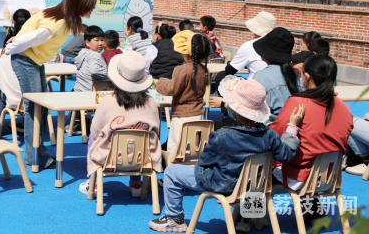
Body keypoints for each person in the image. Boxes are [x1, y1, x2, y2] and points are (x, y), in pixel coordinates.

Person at [148, 76, 304, 233]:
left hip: (225, 185)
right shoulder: (269, 135)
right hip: (254, 187)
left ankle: (174, 219)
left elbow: (203, 163)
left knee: (172, 172)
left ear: (234, 109)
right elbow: (285, 155)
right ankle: (247, 217)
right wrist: (292, 127)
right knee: (252, 174)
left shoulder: (221, 136)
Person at [2, 0, 98, 170]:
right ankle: (33, 158)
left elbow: (31, 31)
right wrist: (12, 45)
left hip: (33, 60)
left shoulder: (60, 15)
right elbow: (34, 37)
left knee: (40, 108)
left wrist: (17, 39)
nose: (93, 8)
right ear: (81, 3)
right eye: (91, 4)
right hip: (26, 60)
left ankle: (38, 153)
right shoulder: (57, 24)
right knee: (34, 109)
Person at [79, 51, 162, 198]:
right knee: (140, 140)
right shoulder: (151, 103)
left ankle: (94, 183)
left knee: (93, 139)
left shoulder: (107, 101)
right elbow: (157, 131)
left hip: (110, 157)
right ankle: (137, 183)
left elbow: (95, 132)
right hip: (144, 158)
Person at [271, 55, 353, 195]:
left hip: (297, 177)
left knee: (254, 162)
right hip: (329, 177)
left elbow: (274, 136)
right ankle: (312, 205)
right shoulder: (345, 108)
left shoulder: (298, 102)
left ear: (307, 77)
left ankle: (250, 209)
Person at [155, 31, 209, 156]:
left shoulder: (182, 69)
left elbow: (172, 89)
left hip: (181, 117)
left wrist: (159, 83)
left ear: (186, 51)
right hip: (198, 115)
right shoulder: (204, 69)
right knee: (194, 150)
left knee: (175, 151)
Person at [253, 27, 304, 123]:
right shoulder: (295, 76)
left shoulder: (261, 76)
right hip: (294, 127)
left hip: (269, 129)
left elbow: (251, 111)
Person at [216, 11, 277, 81]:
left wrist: (230, 63)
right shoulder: (280, 44)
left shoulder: (250, 46)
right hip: (277, 84)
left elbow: (229, 70)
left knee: (221, 75)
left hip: (255, 84)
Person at [74, 25, 108, 92]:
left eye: (102, 40)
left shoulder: (82, 53)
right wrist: (112, 73)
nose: (100, 43)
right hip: (90, 94)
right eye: (97, 40)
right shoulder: (94, 55)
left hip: (79, 91)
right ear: (87, 42)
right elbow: (94, 70)